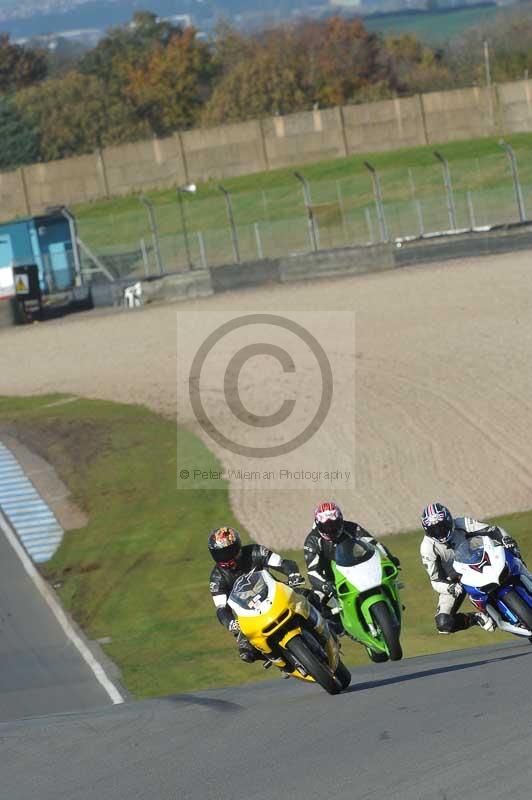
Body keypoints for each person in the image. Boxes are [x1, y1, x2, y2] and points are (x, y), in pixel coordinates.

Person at [303, 501, 401, 658]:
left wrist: (390, 558)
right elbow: (312, 571)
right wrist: (325, 585)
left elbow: (374, 544)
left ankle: (392, 603)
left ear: (341, 521)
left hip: (356, 566)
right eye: (326, 527)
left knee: (389, 577)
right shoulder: (312, 541)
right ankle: (335, 631)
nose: (331, 530)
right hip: (330, 579)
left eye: (334, 525)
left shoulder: (352, 528)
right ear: (318, 525)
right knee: (315, 602)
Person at [420, 502, 524, 635]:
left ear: (449, 520)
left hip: (478, 560)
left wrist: (505, 539)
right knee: (443, 623)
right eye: (434, 530)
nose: (440, 533)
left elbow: (492, 530)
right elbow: (435, 580)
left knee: (511, 554)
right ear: (427, 531)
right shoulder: (427, 548)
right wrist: (450, 588)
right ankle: (478, 618)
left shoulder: (462, 523)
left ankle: (525, 574)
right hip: (455, 580)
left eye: (442, 527)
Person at [208, 526, 304, 664]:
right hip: (250, 615)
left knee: (308, 596)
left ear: (238, 546)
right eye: (221, 554)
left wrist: (293, 574)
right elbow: (221, 608)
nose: (227, 557)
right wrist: (231, 623)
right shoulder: (217, 578)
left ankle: (329, 626)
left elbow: (282, 563)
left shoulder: (255, 551)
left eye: (230, 551)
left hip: (277, 596)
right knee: (246, 652)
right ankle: (279, 660)